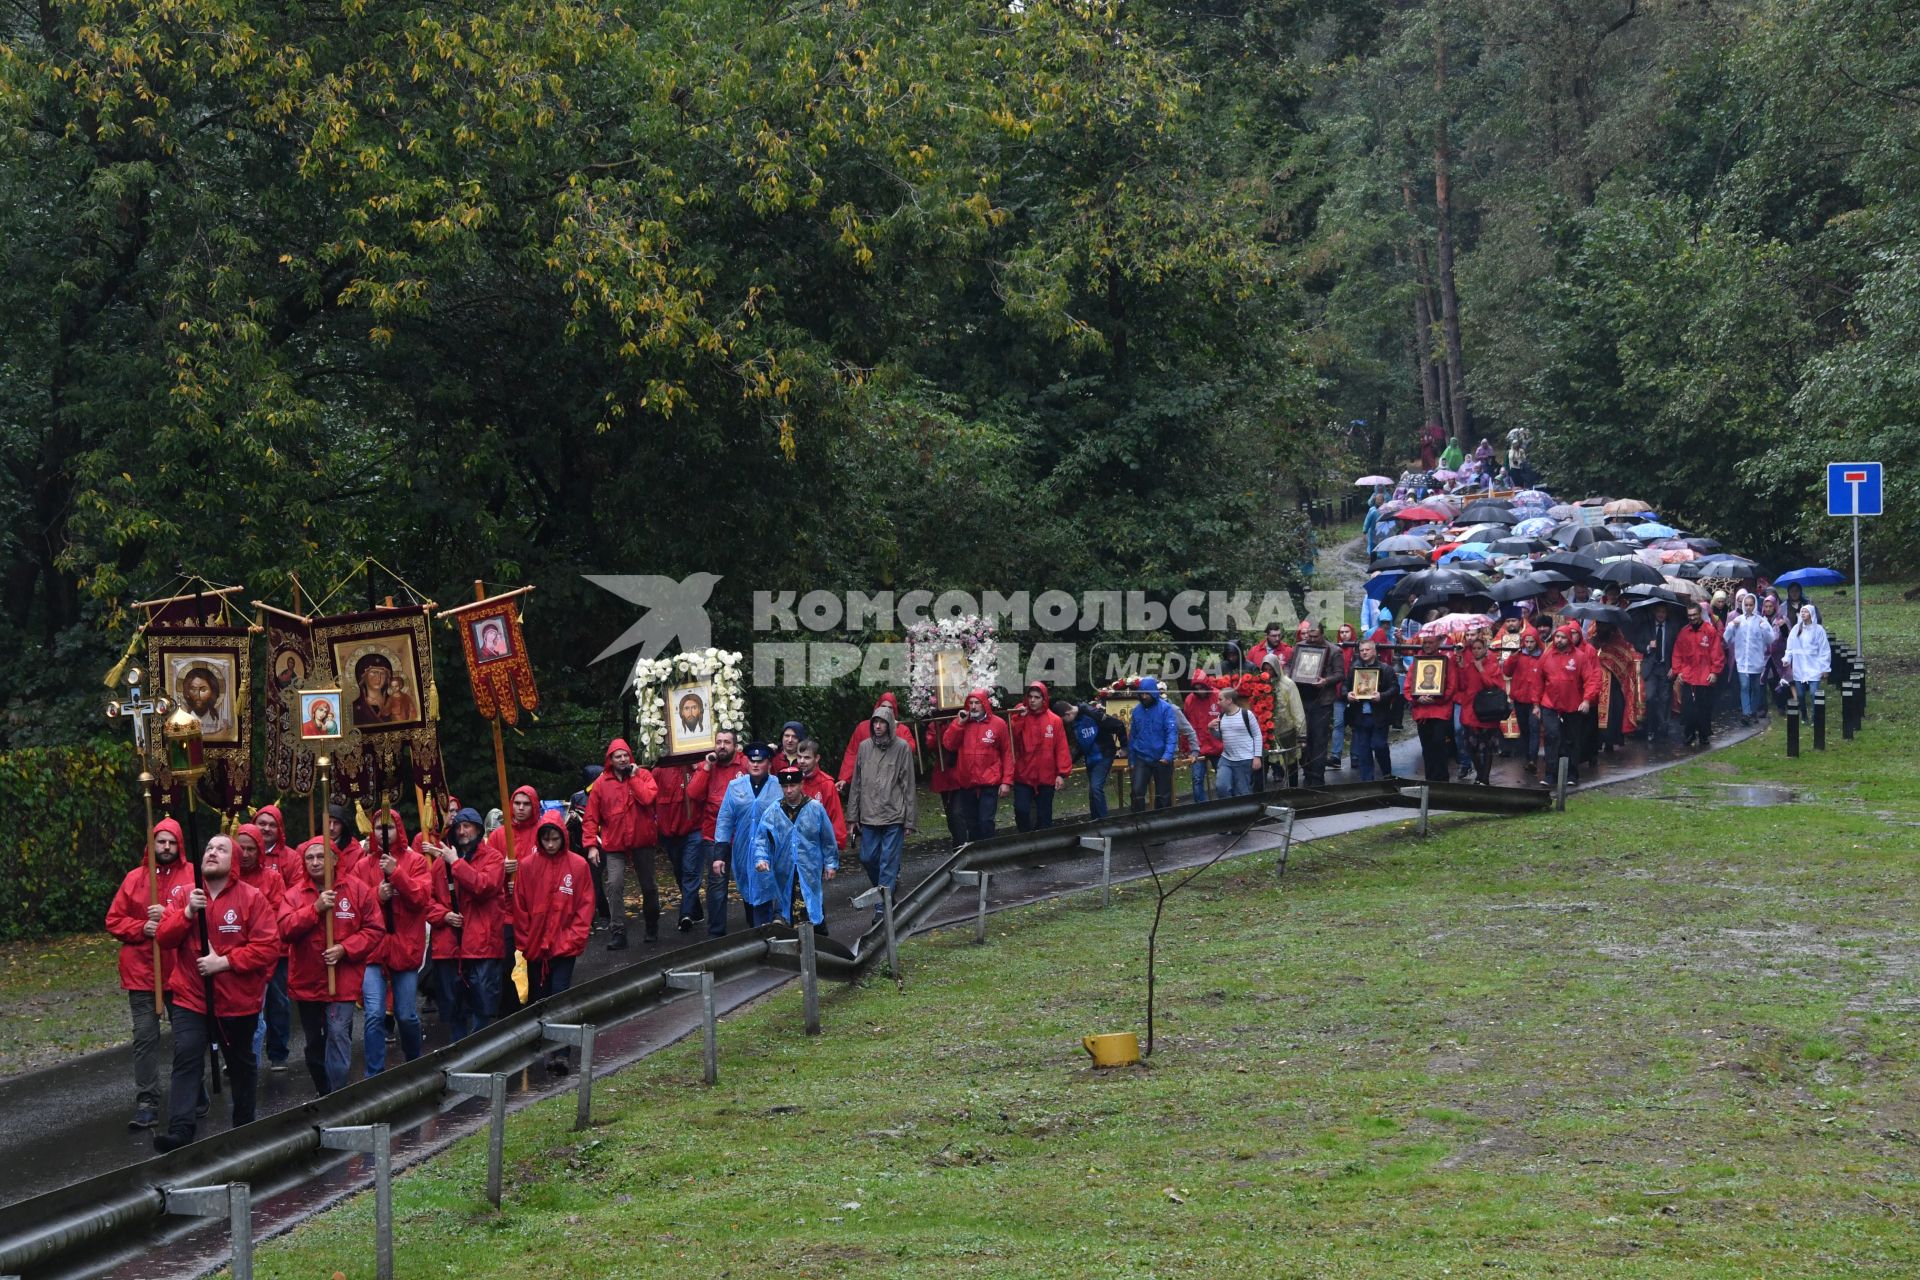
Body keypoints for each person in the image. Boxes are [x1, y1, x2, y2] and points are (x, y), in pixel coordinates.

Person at [152, 835, 281, 1152]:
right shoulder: (185, 894)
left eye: (221, 849)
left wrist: (224, 962)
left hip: (237, 1002)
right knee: (187, 1054)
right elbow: (164, 939)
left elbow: (268, 948)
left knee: (240, 1063)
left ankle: (244, 1125)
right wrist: (185, 915)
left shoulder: (251, 898)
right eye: (208, 848)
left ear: (234, 861)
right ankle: (181, 1130)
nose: (212, 852)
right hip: (190, 996)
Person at [104, 817, 196, 1130]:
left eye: (171, 842)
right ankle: (147, 1101)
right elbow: (114, 920)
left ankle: (192, 1091)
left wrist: (169, 916)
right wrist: (141, 927)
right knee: (145, 1038)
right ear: (152, 844)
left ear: (179, 844)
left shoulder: (192, 875)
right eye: (161, 842)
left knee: (187, 1038)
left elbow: (201, 916)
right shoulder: (134, 878)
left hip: (181, 971)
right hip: (143, 973)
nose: (166, 847)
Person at [283, 837, 385, 1097]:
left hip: (343, 980)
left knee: (338, 1033)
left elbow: (374, 929)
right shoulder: (295, 894)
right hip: (307, 980)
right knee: (314, 1043)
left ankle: (337, 1096)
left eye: (321, 856)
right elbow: (284, 929)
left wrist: (345, 948)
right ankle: (323, 1089)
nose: (315, 862)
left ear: (335, 859)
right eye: (310, 857)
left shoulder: (357, 889)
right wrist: (314, 910)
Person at [513, 813, 594, 1072]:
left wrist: (573, 939)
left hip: (564, 946)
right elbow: (520, 906)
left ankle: (562, 1052)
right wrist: (526, 943)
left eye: (555, 839)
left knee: (559, 995)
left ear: (563, 838)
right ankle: (548, 1048)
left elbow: (584, 906)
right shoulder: (527, 866)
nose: (550, 845)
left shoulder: (578, 866)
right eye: (546, 839)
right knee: (541, 998)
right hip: (537, 947)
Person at [424, 807, 506, 1041]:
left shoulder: (493, 858)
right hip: (450, 946)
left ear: (478, 829)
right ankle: (459, 1052)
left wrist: (456, 863)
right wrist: (444, 915)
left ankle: (477, 1049)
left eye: (467, 826)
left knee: (483, 1004)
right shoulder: (440, 865)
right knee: (453, 1006)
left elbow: (483, 887)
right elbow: (428, 901)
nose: (462, 832)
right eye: (458, 827)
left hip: (481, 944)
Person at [361, 807, 429, 1074]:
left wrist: (397, 873)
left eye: (388, 828)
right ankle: (373, 1074)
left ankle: (414, 1062)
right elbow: (354, 905)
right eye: (379, 828)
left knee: (406, 1015)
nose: (384, 833)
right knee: (374, 1014)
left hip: (405, 947)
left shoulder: (416, 862)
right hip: (373, 949)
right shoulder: (362, 865)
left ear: (398, 830)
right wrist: (376, 895)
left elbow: (421, 898)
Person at [580, 737, 661, 948]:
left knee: (649, 887)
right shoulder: (600, 784)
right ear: (610, 759)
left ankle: (652, 925)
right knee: (613, 885)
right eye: (618, 756)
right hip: (614, 843)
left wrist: (633, 778)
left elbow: (647, 799)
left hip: (642, 841)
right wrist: (590, 846)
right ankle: (618, 932)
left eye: (626, 755)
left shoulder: (643, 775)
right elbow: (590, 817)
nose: (623, 759)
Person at [844, 704, 916, 917]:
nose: (877, 726)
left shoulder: (902, 747)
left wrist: (909, 820)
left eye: (882, 723)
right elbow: (856, 783)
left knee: (888, 861)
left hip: (894, 814)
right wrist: (852, 816)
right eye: (875, 722)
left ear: (890, 725)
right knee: (867, 857)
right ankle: (886, 892)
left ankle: (881, 907)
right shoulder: (864, 747)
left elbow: (908, 784)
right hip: (868, 814)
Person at [755, 766, 840, 933]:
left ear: (801, 784)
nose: (789, 790)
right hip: (784, 868)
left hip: (809, 867)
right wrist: (761, 858)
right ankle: (789, 941)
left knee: (811, 904)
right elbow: (761, 838)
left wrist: (830, 863)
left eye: (793, 786)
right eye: (785, 787)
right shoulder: (773, 810)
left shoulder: (815, 808)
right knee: (785, 904)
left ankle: (819, 944)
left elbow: (828, 839)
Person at [712, 743, 781, 930]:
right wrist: (719, 855)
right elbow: (725, 820)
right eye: (752, 760)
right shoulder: (735, 786)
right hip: (742, 850)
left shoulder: (779, 786)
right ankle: (756, 929)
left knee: (765, 890)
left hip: (770, 850)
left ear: (769, 763)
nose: (756, 765)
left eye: (761, 761)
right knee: (748, 890)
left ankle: (765, 932)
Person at [693, 730, 747, 936]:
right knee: (716, 885)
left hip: (741, 835)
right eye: (718, 742)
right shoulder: (707, 766)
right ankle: (716, 933)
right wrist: (706, 767)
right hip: (713, 836)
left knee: (747, 880)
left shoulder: (745, 765)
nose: (722, 746)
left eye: (727, 742)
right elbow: (693, 794)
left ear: (735, 746)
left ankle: (757, 925)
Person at [941, 689, 1013, 840]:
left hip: (989, 782)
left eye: (977, 703)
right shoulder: (962, 723)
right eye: (971, 703)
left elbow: (1006, 753)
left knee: (986, 821)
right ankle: (977, 857)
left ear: (984, 704)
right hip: (967, 782)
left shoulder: (998, 724)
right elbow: (948, 744)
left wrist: (1006, 781)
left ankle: (989, 855)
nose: (973, 707)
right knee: (972, 824)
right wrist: (959, 724)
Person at [650, 757, 709, 933]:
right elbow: (651, 799)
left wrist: (698, 768)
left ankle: (686, 915)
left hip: (694, 829)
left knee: (690, 871)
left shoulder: (697, 766)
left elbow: (699, 792)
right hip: (670, 832)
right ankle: (696, 910)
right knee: (680, 873)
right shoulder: (659, 770)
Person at [1538, 623, 1601, 784]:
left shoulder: (1580, 657)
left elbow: (1591, 679)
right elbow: (1537, 680)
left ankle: (1572, 773)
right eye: (1557, 637)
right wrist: (1535, 704)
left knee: (1572, 739)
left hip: (1573, 704)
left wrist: (1587, 700)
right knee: (1552, 736)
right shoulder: (1547, 655)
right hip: (1550, 703)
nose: (1559, 640)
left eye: (1562, 637)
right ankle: (1550, 774)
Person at [1011, 681, 1073, 829]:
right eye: (1030, 696)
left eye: (1036, 697)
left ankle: (1044, 847)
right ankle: (1024, 842)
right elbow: (1011, 739)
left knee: (1044, 816)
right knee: (1021, 811)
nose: (1032, 700)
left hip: (1046, 776)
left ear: (1044, 699)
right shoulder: (1019, 716)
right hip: (1023, 775)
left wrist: (1061, 774)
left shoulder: (1055, 720)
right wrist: (1019, 718)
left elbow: (1061, 748)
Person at [1291, 623, 1346, 786]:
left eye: (1315, 636)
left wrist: (1326, 681)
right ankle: (1307, 773)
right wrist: (1290, 676)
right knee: (1303, 739)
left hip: (1322, 701)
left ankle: (1317, 777)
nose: (1312, 640)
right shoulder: (1300, 647)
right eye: (1309, 636)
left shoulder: (1334, 650)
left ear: (1322, 634)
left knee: (1319, 739)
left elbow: (1340, 674)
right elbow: (1290, 666)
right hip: (1302, 699)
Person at [1402, 632, 1459, 782]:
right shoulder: (1416, 663)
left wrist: (1436, 700)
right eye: (1425, 643)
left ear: (1438, 643)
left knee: (1439, 744)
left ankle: (1441, 780)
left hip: (1440, 712)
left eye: (1430, 642)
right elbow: (1408, 687)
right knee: (1426, 748)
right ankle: (1429, 781)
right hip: (1421, 713)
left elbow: (1451, 686)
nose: (1427, 645)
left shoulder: (1446, 661)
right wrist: (1417, 699)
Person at [1454, 634, 1508, 786]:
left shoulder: (1493, 665)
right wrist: (1460, 668)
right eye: (1474, 649)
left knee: (1487, 747)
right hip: (1470, 711)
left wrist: (1481, 670)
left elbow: (1493, 686)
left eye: (1479, 648)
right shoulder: (1469, 665)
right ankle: (1480, 774)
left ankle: (1484, 778)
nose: (1476, 651)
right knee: (1471, 746)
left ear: (1485, 649)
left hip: (1487, 712)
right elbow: (1463, 685)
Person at [1060, 699, 1127, 820]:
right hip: (1091, 758)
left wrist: (1124, 747)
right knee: (1092, 792)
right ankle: (1095, 820)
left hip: (1104, 754)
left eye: (1063, 720)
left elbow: (1118, 724)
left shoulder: (1093, 714)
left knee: (1096, 788)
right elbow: (1081, 745)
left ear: (1068, 714)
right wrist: (1068, 764)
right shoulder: (1075, 722)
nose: (1064, 724)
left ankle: (1104, 821)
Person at [1343, 640, 1399, 781]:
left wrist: (1382, 696)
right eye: (1361, 650)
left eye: (1367, 650)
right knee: (1363, 750)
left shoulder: (1386, 669)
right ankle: (1367, 782)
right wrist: (1348, 695)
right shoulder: (1354, 669)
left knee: (1379, 745)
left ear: (1374, 651)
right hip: (1360, 716)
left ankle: (1386, 772)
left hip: (1379, 715)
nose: (1364, 652)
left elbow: (1395, 688)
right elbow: (1345, 686)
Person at [1671, 602, 1724, 748]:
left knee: (1704, 708)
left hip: (1705, 677)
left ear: (1700, 614)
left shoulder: (1710, 631)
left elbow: (1717, 653)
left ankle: (1704, 735)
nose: (1692, 618)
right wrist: (1678, 671)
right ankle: (1689, 734)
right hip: (1688, 676)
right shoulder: (1683, 632)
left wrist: (1715, 672)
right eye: (1689, 616)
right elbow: (1677, 654)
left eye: (1694, 615)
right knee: (1687, 709)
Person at [1125, 676, 1179, 811]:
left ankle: (1161, 824)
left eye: (1147, 693)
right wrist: (1131, 760)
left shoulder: (1166, 709)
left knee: (1163, 795)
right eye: (1141, 694)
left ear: (1153, 693)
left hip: (1161, 757)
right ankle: (1138, 823)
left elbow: (1171, 733)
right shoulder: (1137, 711)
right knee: (1137, 792)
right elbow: (1133, 736)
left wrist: (1167, 755)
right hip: (1141, 757)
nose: (1144, 697)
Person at [1723, 592, 1774, 725]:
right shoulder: (1739, 620)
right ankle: (1746, 713)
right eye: (1746, 605)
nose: (1748, 607)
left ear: (1755, 605)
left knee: (1755, 687)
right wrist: (1732, 625)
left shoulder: (1761, 620)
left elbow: (1770, 639)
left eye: (1751, 605)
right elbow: (1726, 637)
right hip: (1742, 660)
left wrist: (1764, 629)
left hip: (1756, 660)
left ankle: (1753, 711)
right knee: (1744, 686)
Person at [1591, 623, 1644, 751]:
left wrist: (1604, 658)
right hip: (1597, 684)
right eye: (1599, 626)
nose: (1600, 628)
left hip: (1613, 685)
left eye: (1603, 626)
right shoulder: (1594, 640)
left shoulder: (1618, 641)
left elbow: (1624, 659)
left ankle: (1610, 742)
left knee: (1612, 715)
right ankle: (1597, 743)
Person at [1502, 626, 1546, 772]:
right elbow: (1507, 672)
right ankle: (1527, 758)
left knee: (1534, 729)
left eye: (1531, 642)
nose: (1528, 645)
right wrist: (1513, 657)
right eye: (1526, 641)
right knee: (1524, 729)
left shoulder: (1543, 657)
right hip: (1520, 699)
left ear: (1536, 641)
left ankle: (1532, 759)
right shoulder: (1518, 655)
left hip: (1535, 701)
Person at [837, 692, 904, 784]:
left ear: (894, 710)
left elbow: (908, 751)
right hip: (867, 781)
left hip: (891, 782)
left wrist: (894, 732)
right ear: (878, 707)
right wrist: (844, 778)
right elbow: (852, 753)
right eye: (883, 706)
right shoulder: (862, 727)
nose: (886, 710)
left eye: (890, 708)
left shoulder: (902, 729)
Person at [1210, 685, 1264, 797]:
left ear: (1229, 700)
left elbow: (1257, 735)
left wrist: (1257, 756)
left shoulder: (1246, 714)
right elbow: (1221, 737)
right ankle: (1229, 811)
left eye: (1220, 699)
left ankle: (1242, 813)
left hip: (1244, 759)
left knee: (1242, 793)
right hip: (1226, 759)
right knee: (1222, 787)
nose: (1218, 702)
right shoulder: (1221, 716)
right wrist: (1211, 729)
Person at [1640, 603, 1680, 745]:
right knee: (1650, 698)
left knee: (1665, 699)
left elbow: (1677, 648)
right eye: (1658, 611)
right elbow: (1638, 644)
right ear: (1654, 612)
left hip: (1665, 668)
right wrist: (1648, 647)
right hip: (1651, 668)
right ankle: (1650, 728)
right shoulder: (1647, 627)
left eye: (1663, 612)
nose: (1661, 614)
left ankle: (1663, 727)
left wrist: (1674, 667)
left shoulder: (1672, 628)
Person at [1180, 676, 1222, 803]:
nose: (1200, 691)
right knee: (1197, 778)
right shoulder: (1190, 700)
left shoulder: (1218, 695)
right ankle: (1201, 807)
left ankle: (1225, 804)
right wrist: (1186, 747)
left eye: (1202, 688)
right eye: (1196, 689)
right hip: (1197, 746)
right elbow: (1185, 725)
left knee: (1223, 777)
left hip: (1218, 745)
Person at [1784, 604, 1830, 715]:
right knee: (1800, 694)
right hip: (1799, 667)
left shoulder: (1819, 630)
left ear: (1811, 614)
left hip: (1814, 666)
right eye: (1802, 611)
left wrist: (1825, 668)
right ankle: (1804, 714)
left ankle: (1815, 716)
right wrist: (1787, 658)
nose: (1803, 614)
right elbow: (1790, 646)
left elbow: (1824, 649)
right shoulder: (1796, 629)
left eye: (1806, 611)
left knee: (1814, 693)